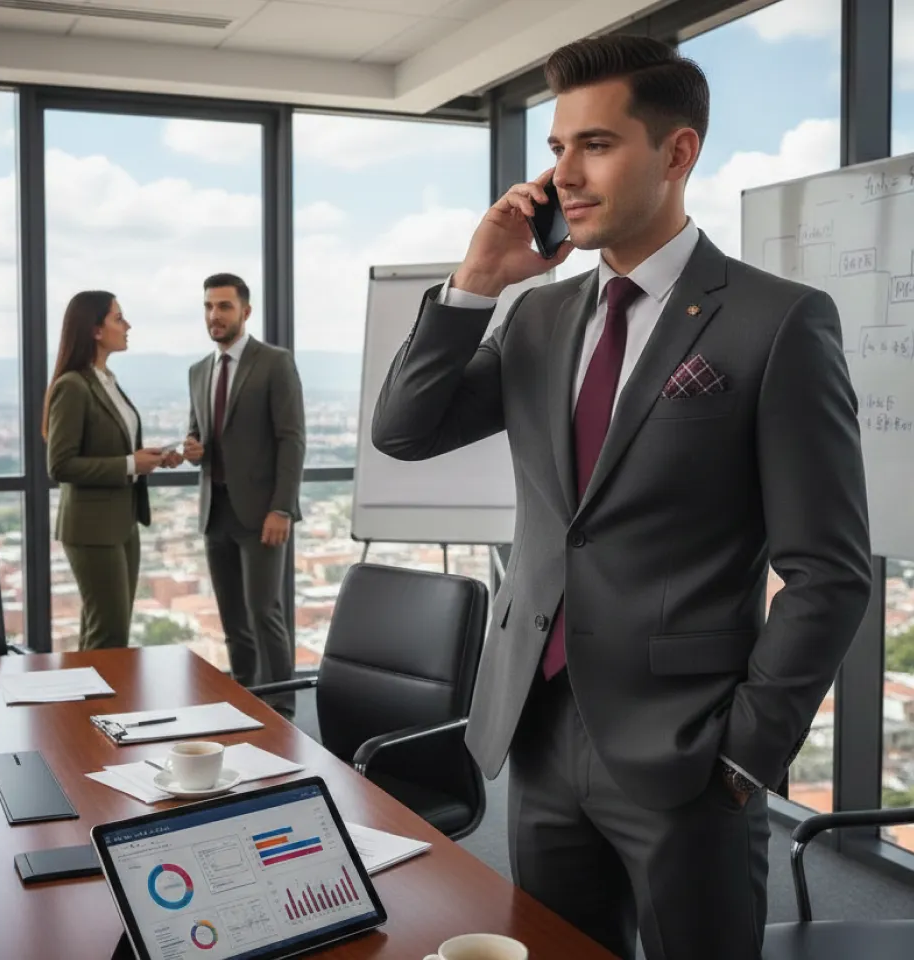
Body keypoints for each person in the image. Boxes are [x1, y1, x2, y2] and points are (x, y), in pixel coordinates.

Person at [372, 36, 872, 960]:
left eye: (594, 145)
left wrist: (742, 755)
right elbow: (405, 429)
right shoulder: (539, 315)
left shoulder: (777, 321)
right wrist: (476, 281)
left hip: (688, 753)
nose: (563, 173)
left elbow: (829, 571)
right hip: (537, 725)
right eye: (558, 148)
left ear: (678, 153)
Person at [183, 273, 305, 717]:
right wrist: (193, 447)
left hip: (261, 514)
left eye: (224, 306)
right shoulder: (199, 371)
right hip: (214, 512)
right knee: (234, 620)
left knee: (264, 614)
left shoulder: (274, 362)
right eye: (209, 307)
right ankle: (246, 702)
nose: (214, 315)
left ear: (245, 312)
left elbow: (292, 440)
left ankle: (282, 709)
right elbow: (198, 435)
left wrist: (282, 507)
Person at [45, 291, 173, 650]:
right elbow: (60, 464)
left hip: (122, 522)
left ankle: (89, 705)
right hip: (91, 527)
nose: (127, 325)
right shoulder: (72, 386)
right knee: (109, 634)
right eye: (119, 318)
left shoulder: (106, 380)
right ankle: (99, 708)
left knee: (106, 630)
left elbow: (114, 448)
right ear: (96, 330)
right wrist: (131, 463)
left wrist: (152, 457)